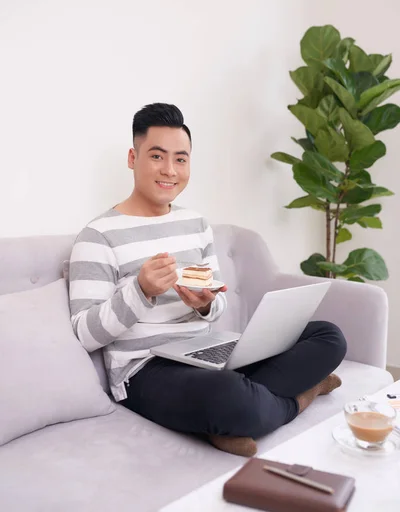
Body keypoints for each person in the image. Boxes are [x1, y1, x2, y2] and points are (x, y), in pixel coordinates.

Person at [68, 103, 347, 457]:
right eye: (157, 156)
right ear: (132, 157)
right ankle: (302, 394)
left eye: (181, 159)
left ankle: (238, 413)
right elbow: (83, 334)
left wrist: (205, 305)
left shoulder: (196, 223)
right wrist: (140, 292)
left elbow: (218, 303)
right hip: (144, 370)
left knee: (328, 337)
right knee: (229, 395)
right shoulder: (97, 235)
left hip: (205, 352)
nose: (169, 170)